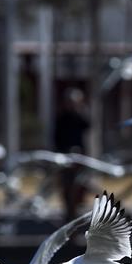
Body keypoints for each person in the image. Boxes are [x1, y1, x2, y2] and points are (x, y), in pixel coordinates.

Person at [53, 88, 90, 220]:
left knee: (80, 182)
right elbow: (56, 136)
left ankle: (78, 206)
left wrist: (81, 109)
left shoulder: (79, 116)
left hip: (79, 155)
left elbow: (88, 125)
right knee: (66, 184)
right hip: (65, 156)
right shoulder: (61, 117)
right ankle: (68, 208)